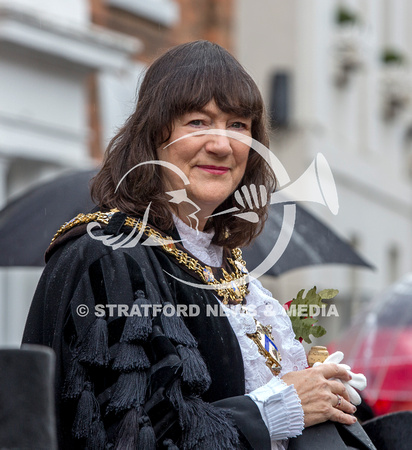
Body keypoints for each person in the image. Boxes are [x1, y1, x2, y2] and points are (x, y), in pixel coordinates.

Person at [22, 40, 374, 450]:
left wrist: (323, 391)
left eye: (238, 126)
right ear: (155, 135)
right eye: (198, 122)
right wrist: (277, 408)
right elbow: (130, 436)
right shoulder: (109, 257)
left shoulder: (226, 264)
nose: (221, 144)